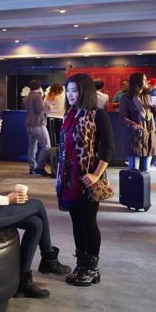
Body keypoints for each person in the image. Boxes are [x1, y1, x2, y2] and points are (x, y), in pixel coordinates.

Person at [0, 100, 70, 299]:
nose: (1, 122)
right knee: (37, 205)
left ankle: (24, 281)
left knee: (36, 224)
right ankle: (48, 258)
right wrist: (7, 200)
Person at [56, 74, 115, 287]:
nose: (71, 95)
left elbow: (109, 148)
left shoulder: (97, 114)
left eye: (75, 90)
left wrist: (96, 174)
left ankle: (92, 268)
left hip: (87, 180)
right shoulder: (69, 114)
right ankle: (82, 265)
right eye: (69, 90)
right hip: (69, 180)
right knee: (76, 223)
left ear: (85, 92)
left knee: (88, 223)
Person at [118, 73, 156, 171]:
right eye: (145, 79)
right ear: (137, 82)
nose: (147, 81)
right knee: (133, 171)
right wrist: (133, 124)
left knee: (145, 171)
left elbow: (152, 116)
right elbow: (122, 117)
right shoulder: (126, 98)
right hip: (135, 137)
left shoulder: (147, 96)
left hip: (148, 137)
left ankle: (144, 187)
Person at [24, 79, 52, 176]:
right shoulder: (38, 96)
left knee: (32, 147)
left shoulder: (27, 97)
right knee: (47, 146)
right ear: (39, 87)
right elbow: (40, 110)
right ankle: (40, 167)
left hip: (29, 125)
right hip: (38, 124)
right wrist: (48, 109)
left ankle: (32, 167)